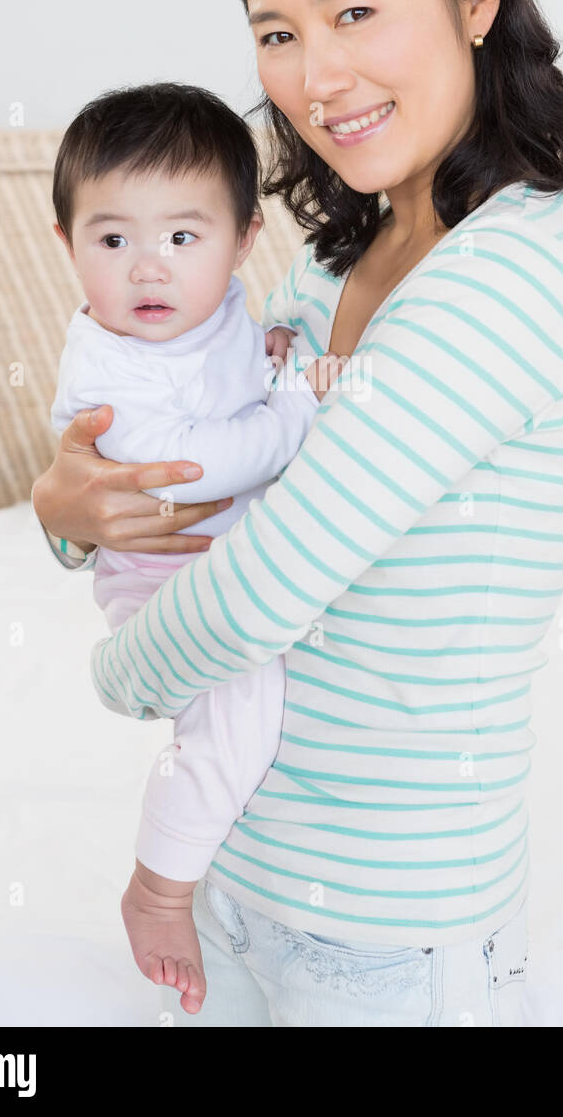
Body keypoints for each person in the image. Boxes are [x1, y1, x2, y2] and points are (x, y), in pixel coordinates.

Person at [32, 0, 563, 1027]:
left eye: (354, 13)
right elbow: (182, 474)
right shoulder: (330, 258)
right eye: (278, 34)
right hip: (235, 882)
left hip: (387, 926)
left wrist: (111, 676)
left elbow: (259, 587)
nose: (318, 75)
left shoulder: (515, 269)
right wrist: (65, 516)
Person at [47, 80, 344, 1011]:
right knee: (240, 707)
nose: (147, 271)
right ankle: (161, 887)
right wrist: (296, 403)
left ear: (246, 240)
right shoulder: (107, 369)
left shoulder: (227, 310)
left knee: (276, 710)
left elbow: (234, 373)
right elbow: (206, 459)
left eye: (183, 237)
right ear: (66, 246)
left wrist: (269, 356)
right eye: (111, 240)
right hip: (159, 582)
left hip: (234, 566)